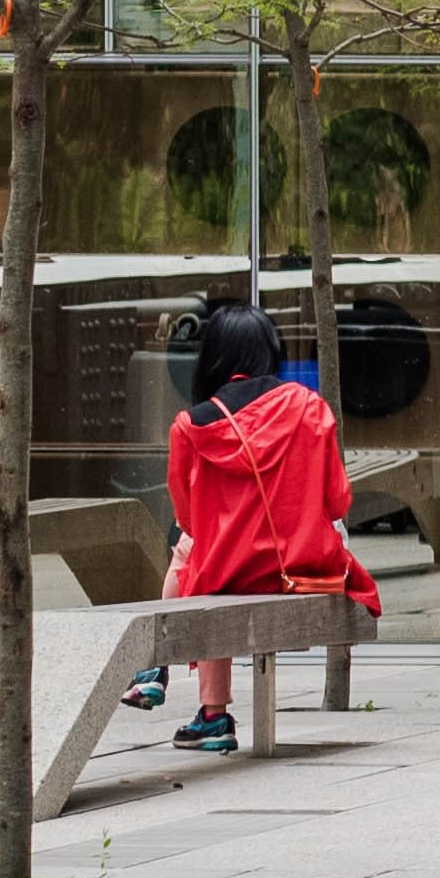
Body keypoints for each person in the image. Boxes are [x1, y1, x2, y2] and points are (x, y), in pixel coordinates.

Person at [151, 298, 369, 752]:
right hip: (305, 570)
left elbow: (188, 520)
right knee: (207, 566)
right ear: (270, 350)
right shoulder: (310, 407)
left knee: (194, 558)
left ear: (211, 357)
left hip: (227, 576)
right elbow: (338, 501)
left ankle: (183, 691)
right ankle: (185, 695)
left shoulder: (191, 425)